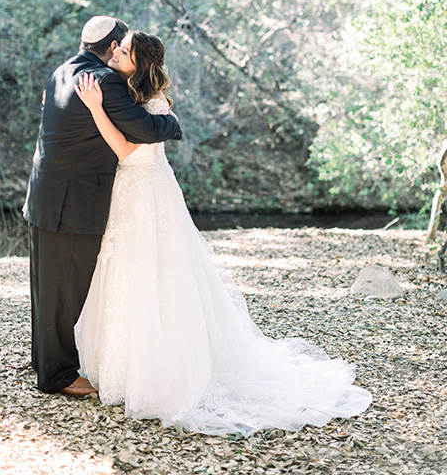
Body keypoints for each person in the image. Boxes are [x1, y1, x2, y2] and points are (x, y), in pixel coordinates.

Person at [73, 30, 372, 436]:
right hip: (128, 191)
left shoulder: (155, 104)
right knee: (127, 270)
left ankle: (163, 371)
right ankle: (122, 363)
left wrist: (93, 108)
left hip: (148, 191)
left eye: (124, 51)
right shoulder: (127, 93)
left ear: (139, 63)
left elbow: (127, 150)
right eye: (118, 47)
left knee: (158, 272)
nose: (115, 52)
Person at [23, 17, 182, 398]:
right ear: (112, 47)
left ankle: (43, 360)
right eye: (121, 45)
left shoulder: (62, 71)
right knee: (64, 291)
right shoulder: (104, 81)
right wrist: (171, 122)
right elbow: (144, 130)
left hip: (45, 194)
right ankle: (57, 376)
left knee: (46, 286)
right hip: (73, 200)